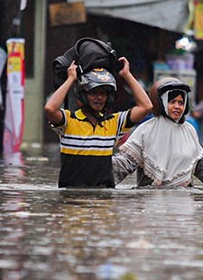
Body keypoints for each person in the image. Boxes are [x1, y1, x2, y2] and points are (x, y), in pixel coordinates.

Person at [45, 55, 152, 188]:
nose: (99, 98)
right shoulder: (68, 121)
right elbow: (50, 109)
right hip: (71, 201)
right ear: (82, 94)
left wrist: (126, 75)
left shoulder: (113, 122)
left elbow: (146, 106)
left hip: (104, 201)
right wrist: (70, 79)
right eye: (93, 93)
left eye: (103, 93)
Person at [112, 77, 203, 187]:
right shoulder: (146, 130)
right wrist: (101, 166)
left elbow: (194, 162)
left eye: (181, 103)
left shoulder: (189, 130)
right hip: (150, 199)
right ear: (161, 102)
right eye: (172, 102)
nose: (177, 107)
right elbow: (126, 162)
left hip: (184, 200)